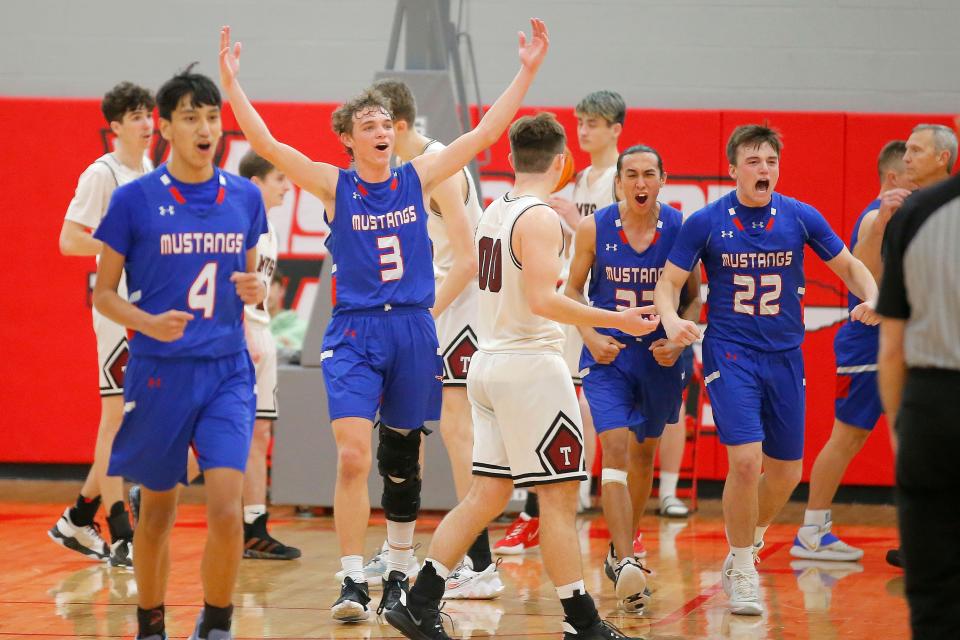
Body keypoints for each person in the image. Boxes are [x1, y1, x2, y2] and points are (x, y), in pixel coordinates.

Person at [218, 19, 549, 622]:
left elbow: (483, 133)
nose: (380, 132)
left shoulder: (419, 175)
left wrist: (526, 70)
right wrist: (233, 86)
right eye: (366, 126)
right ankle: (350, 579)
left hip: (414, 329)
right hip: (356, 329)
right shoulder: (333, 184)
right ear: (348, 138)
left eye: (384, 125)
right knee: (350, 455)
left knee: (402, 461)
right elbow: (266, 145)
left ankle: (397, 570)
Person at [385, 112, 659, 640]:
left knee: (485, 496)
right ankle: (582, 622)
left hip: (488, 365)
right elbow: (543, 300)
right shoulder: (538, 219)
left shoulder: (495, 208)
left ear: (510, 160)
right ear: (562, 164)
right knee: (557, 500)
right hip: (529, 368)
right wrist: (617, 318)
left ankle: (420, 600)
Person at [654, 124, 880, 616]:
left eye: (770, 162)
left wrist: (874, 295)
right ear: (733, 169)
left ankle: (748, 545)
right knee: (746, 462)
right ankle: (742, 568)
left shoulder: (799, 216)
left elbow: (849, 266)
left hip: (784, 355)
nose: (764, 170)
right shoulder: (706, 222)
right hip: (730, 351)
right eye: (753, 162)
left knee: (785, 472)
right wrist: (671, 320)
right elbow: (668, 284)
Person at [92, 66, 267, 640]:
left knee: (225, 507)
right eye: (191, 117)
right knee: (158, 513)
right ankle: (151, 622)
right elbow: (103, 294)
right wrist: (146, 322)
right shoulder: (134, 200)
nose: (205, 127)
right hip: (159, 372)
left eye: (212, 117)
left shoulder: (244, 196)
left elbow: (251, 280)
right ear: (164, 127)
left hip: (226, 372)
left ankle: (216, 623)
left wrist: (257, 289)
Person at [370, 78, 502, 599]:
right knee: (409, 426)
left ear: (399, 126)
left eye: (381, 127)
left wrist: (423, 312)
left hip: (457, 308)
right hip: (434, 307)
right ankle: (401, 549)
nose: (375, 136)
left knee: (457, 430)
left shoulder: (440, 165)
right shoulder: (408, 169)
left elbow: (468, 260)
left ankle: (481, 560)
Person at [564, 144, 699, 612]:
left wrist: (679, 341)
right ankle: (625, 561)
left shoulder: (680, 227)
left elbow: (694, 299)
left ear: (663, 180)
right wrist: (588, 332)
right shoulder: (593, 227)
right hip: (610, 353)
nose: (640, 183)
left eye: (649, 175)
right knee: (615, 447)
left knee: (644, 454)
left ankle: (624, 548)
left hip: (660, 357)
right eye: (631, 175)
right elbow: (571, 290)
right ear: (619, 181)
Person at [495, 89, 625, 556]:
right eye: (580, 122)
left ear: (615, 128)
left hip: (596, 301)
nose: (584, 130)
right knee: (564, 403)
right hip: (566, 302)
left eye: (593, 122)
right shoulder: (578, 180)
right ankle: (539, 506)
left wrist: (570, 223)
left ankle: (595, 510)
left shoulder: (619, 178)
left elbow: (608, 239)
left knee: (600, 412)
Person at [50, 81, 155, 569]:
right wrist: (121, 242)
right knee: (115, 419)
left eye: (148, 114)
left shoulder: (150, 170)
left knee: (128, 421)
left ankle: (76, 518)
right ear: (114, 126)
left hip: (145, 308)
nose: (146, 123)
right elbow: (69, 240)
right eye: (135, 116)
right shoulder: (102, 173)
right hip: (115, 308)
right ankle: (119, 533)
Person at [790, 140, 911, 562]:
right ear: (893, 178)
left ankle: (922, 534)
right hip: (868, 346)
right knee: (847, 436)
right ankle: (811, 531)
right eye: (911, 170)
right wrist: (881, 226)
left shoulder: (917, 217)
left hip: (904, 343)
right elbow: (862, 275)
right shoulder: (877, 217)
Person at [876, 136, 960, 640]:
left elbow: (892, 344)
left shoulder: (921, 211)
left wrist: (899, 427)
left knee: (932, 584)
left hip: (933, 404)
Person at [236, 150, 301, 560]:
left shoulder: (270, 229)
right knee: (233, 434)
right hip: (240, 334)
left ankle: (255, 528)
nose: (287, 185)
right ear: (256, 182)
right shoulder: (238, 220)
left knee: (260, 434)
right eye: (279, 178)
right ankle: (156, 488)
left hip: (261, 334)